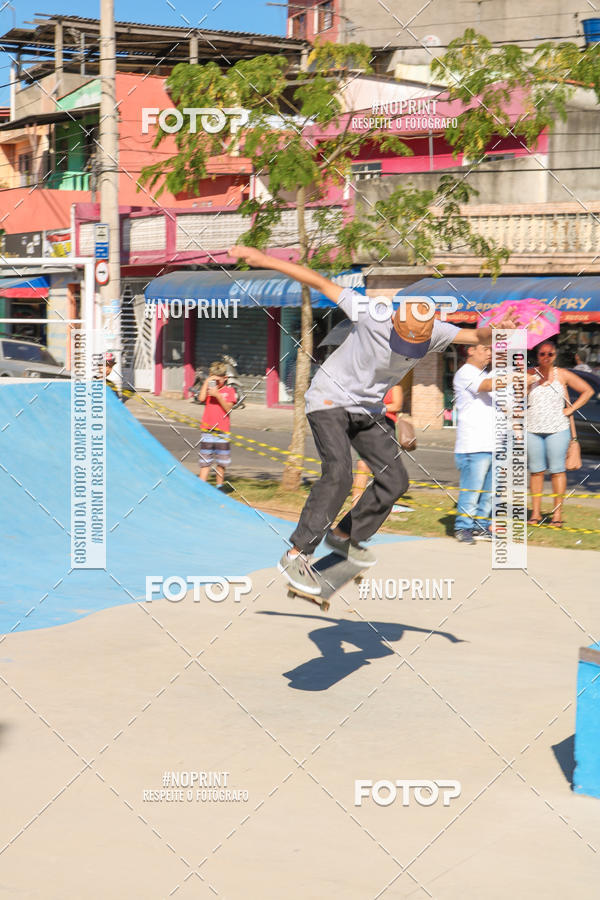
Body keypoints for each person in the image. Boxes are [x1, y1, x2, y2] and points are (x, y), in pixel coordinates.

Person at [229, 245, 522, 597]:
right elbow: (318, 281)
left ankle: (343, 536)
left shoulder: (434, 330)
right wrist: (264, 260)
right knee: (338, 474)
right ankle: (297, 554)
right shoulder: (371, 312)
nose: (406, 352)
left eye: (415, 347)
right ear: (395, 324)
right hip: (329, 400)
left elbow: (477, 337)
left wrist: (497, 328)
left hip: (368, 410)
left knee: (395, 480)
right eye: (403, 344)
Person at [527, 340, 593, 527]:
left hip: (557, 429)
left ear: (555, 356)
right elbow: (517, 398)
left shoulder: (562, 375)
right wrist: (525, 384)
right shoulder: (530, 374)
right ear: (537, 356)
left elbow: (587, 391)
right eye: (542, 354)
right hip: (533, 429)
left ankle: (557, 516)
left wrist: (571, 410)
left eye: (550, 354)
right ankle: (536, 514)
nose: (546, 357)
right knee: (536, 472)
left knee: (557, 472)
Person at [452, 343, 495, 544]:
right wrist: (515, 378)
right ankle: (463, 527)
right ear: (470, 350)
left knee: (488, 492)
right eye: (485, 349)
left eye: (490, 350)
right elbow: (485, 387)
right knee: (472, 489)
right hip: (472, 444)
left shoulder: (487, 375)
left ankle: (481, 525)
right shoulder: (465, 372)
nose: (489, 353)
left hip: (491, 442)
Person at [351, 383, 403, 506]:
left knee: (383, 470)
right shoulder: (370, 382)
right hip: (366, 427)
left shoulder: (395, 384)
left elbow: (397, 405)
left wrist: (375, 408)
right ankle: (354, 507)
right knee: (362, 467)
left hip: (385, 428)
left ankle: (381, 508)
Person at [198, 361, 236, 490]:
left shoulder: (229, 391)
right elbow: (201, 399)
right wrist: (207, 381)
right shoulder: (208, 389)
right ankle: (200, 488)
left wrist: (218, 395)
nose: (215, 383)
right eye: (213, 379)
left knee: (222, 462)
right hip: (207, 431)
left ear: (225, 378)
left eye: (218, 380)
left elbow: (228, 409)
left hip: (222, 432)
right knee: (205, 462)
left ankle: (219, 487)